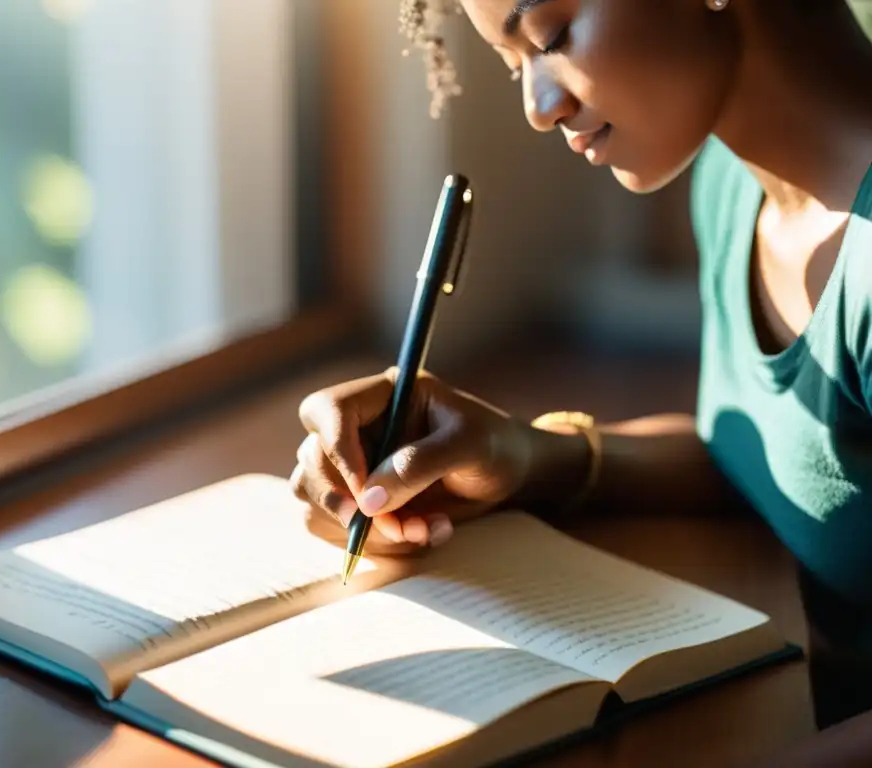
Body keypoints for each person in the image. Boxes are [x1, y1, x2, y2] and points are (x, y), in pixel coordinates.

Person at [289, 0, 872, 761]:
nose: (538, 106)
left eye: (551, 36)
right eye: (514, 64)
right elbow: (795, 471)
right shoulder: (734, 187)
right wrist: (520, 457)